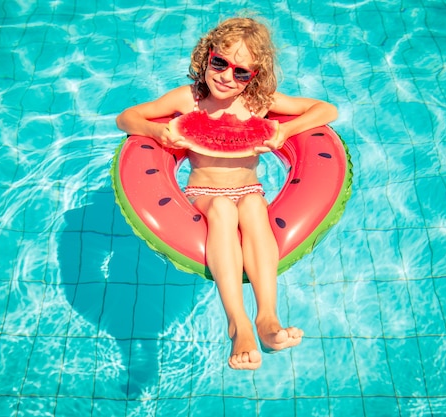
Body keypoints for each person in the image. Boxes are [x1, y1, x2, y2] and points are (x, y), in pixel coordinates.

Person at [116, 17, 338, 370]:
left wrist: (286, 131)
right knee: (222, 207)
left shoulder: (257, 103)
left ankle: (267, 318)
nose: (226, 76)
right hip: (204, 192)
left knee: (252, 204)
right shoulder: (187, 99)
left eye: (241, 72)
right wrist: (156, 133)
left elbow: (327, 110)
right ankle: (237, 322)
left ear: (254, 76)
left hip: (249, 188)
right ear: (207, 57)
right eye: (219, 63)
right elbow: (127, 118)